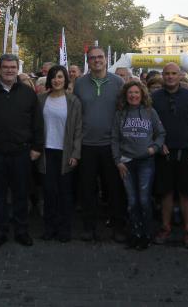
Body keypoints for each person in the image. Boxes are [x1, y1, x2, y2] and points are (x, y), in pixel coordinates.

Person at [0, 54, 43, 248]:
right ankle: (0, 231)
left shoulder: (28, 93)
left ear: (17, 68)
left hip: (21, 152)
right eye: (6, 67)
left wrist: (37, 147)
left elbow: (37, 122)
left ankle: (21, 231)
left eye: (13, 67)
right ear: (0, 68)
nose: (10, 70)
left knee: (21, 194)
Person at [73, 46, 126, 242]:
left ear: (106, 59)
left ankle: (118, 227)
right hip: (86, 144)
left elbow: (124, 111)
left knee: (114, 189)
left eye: (100, 57)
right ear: (88, 61)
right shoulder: (79, 84)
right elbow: (75, 114)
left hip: (110, 145)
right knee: (87, 189)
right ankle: (89, 227)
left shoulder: (118, 82)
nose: (97, 60)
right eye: (93, 58)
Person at [151, 62, 188, 249]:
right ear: (163, 75)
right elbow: (149, 124)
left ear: (181, 75)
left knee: (186, 194)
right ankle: (165, 228)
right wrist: (158, 144)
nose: (170, 77)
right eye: (167, 73)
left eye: (174, 73)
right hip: (164, 153)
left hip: (187, 152)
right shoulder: (154, 98)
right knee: (165, 193)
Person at [112, 81, 165, 250]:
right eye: (130, 93)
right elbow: (114, 139)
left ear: (142, 94)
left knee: (143, 199)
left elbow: (161, 133)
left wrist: (154, 149)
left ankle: (146, 233)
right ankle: (134, 233)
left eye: (136, 92)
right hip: (126, 162)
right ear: (125, 95)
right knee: (132, 201)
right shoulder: (120, 114)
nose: (133, 95)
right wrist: (117, 161)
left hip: (145, 162)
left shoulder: (150, 112)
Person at [37, 65, 82, 242]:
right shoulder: (41, 100)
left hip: (65, 153)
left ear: (66, 80)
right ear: (49, 79)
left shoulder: (73, 101)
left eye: (60, 77)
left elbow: (78, 129)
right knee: (49, 192)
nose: (57, 80)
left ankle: (64, 229)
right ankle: (49, 228)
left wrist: (76, 153)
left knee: (64, 193)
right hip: (46, 152)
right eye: (54, 77)